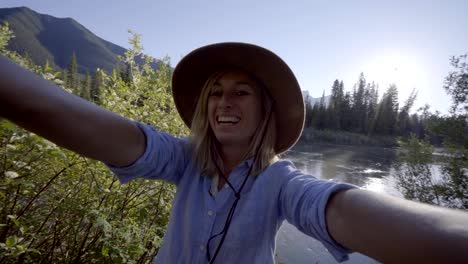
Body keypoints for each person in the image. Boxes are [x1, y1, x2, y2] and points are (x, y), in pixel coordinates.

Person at [1, 42, 467, 264]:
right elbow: (101, 130)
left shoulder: (283, 183)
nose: (225, 102)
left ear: (265, 109)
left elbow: (338, 209)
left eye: (242, 92)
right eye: (216, 92)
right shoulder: (181, 159)